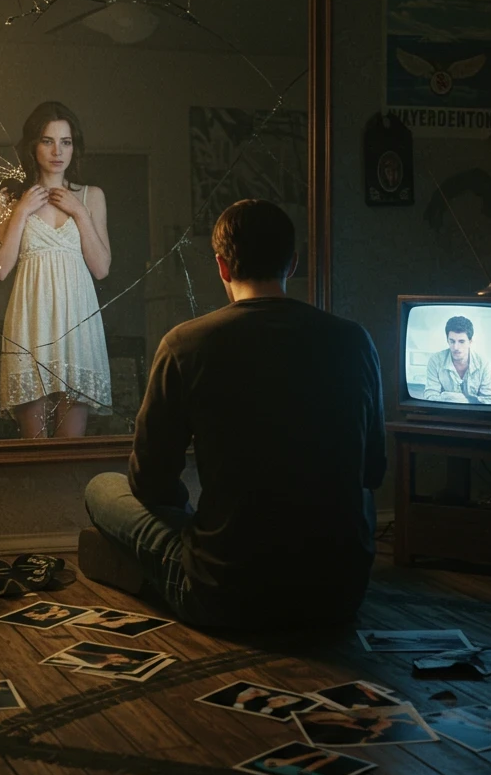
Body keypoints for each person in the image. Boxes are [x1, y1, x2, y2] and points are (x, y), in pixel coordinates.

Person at [81, 198, 386, 630]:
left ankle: (195, 559)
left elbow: (150, 482)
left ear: (222, 266)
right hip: (338, 596)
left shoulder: (185, 344)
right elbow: (372, 472)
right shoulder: (356, 341)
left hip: (227, 596)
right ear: (293, 263)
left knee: (102, 487)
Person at [0, 101, 112, 439]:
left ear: (75, 146)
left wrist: (80, 212)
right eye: (48, 141)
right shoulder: (9, 196)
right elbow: (0, 270)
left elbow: (101, 268)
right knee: (33, 446)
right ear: (33, 145)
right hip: (32, 319)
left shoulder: (91, 196)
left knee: (70, 447)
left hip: (77, 320)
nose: (58, 151)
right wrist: (21, 211)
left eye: (66, 142)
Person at [424, 315, 491, 404]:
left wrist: (465, 400)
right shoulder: (435, 360)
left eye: (461, 342)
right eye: (452, 341)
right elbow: (429, 396)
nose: (456, 347)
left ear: (470, 342)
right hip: (443, 415)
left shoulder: (485, 364)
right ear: (447, 340)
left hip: (475, 416)